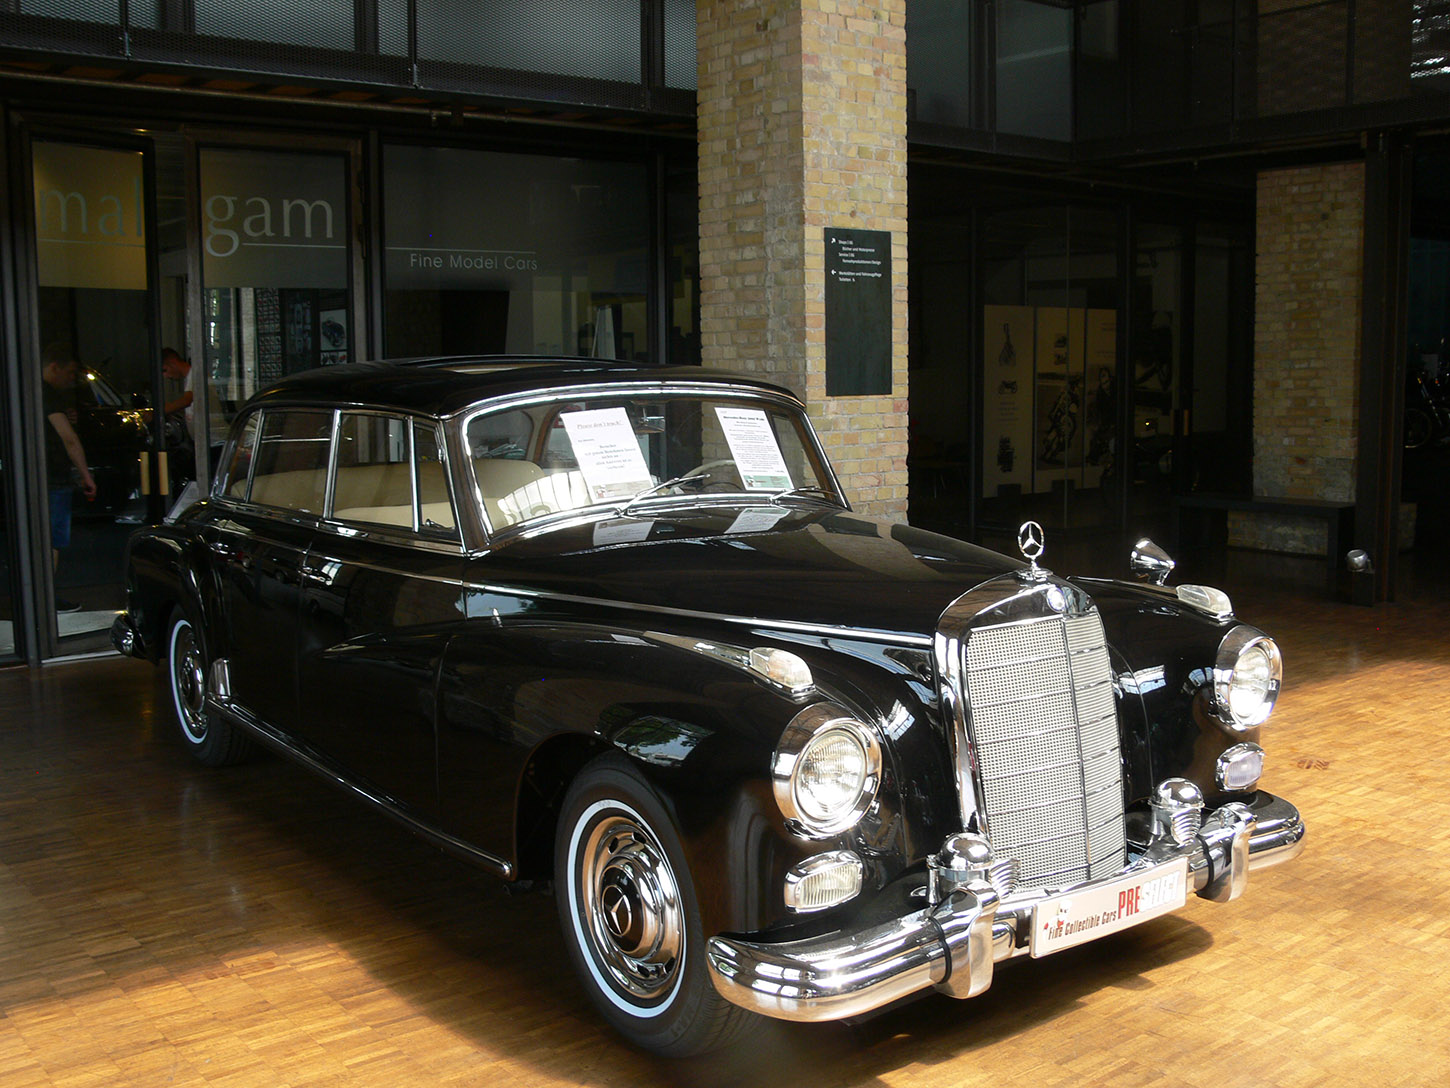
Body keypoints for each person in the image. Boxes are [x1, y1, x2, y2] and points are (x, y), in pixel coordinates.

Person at [41, 342, 97, 613]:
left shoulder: (28, 392)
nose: (72, 379)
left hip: (38, 476)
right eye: (70, 372)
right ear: (55, 367)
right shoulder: (48, 396)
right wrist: (86, 475)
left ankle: (40, 596)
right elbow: (68, 439)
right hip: (53, 476)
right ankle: (46, 598)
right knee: (53, 539)